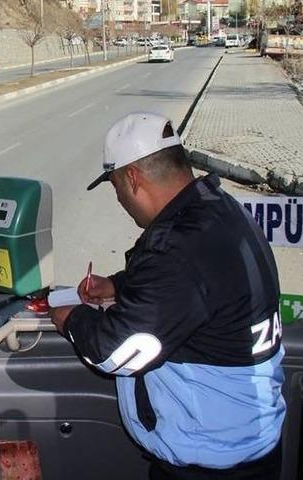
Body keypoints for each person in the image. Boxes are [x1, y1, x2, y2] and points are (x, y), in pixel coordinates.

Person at [50, 112, 285, 479]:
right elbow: (195, 290)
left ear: (132, 178)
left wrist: (69, 318)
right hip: (245, 445)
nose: (119, 200)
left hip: (213, 464)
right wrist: (117, 285)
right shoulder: (219, 212)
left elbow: (117, 352)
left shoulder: (179, 248)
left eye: (114, 188)